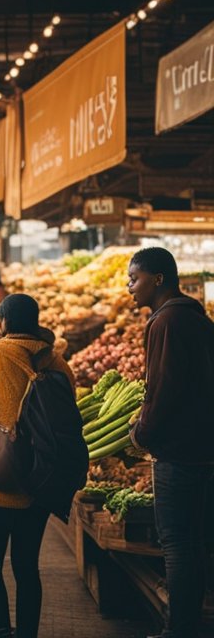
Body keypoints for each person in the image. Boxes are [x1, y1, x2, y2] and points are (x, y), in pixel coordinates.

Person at [0, 294, 73, 638]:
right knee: (27, 567)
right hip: (39, 481)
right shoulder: (56, 362)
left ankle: (0, 631)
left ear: (2, 323)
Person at [127, 247, 214, 638]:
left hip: (178, 453)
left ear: (158, 279)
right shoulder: (196, 318)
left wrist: (142, 433)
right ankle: (190, 625)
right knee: (196, 544)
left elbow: (162, 391)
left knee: (177, 544)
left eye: (135, 279)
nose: (130, 287)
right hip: (203, 449)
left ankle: (178, 630)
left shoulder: (166, 322)